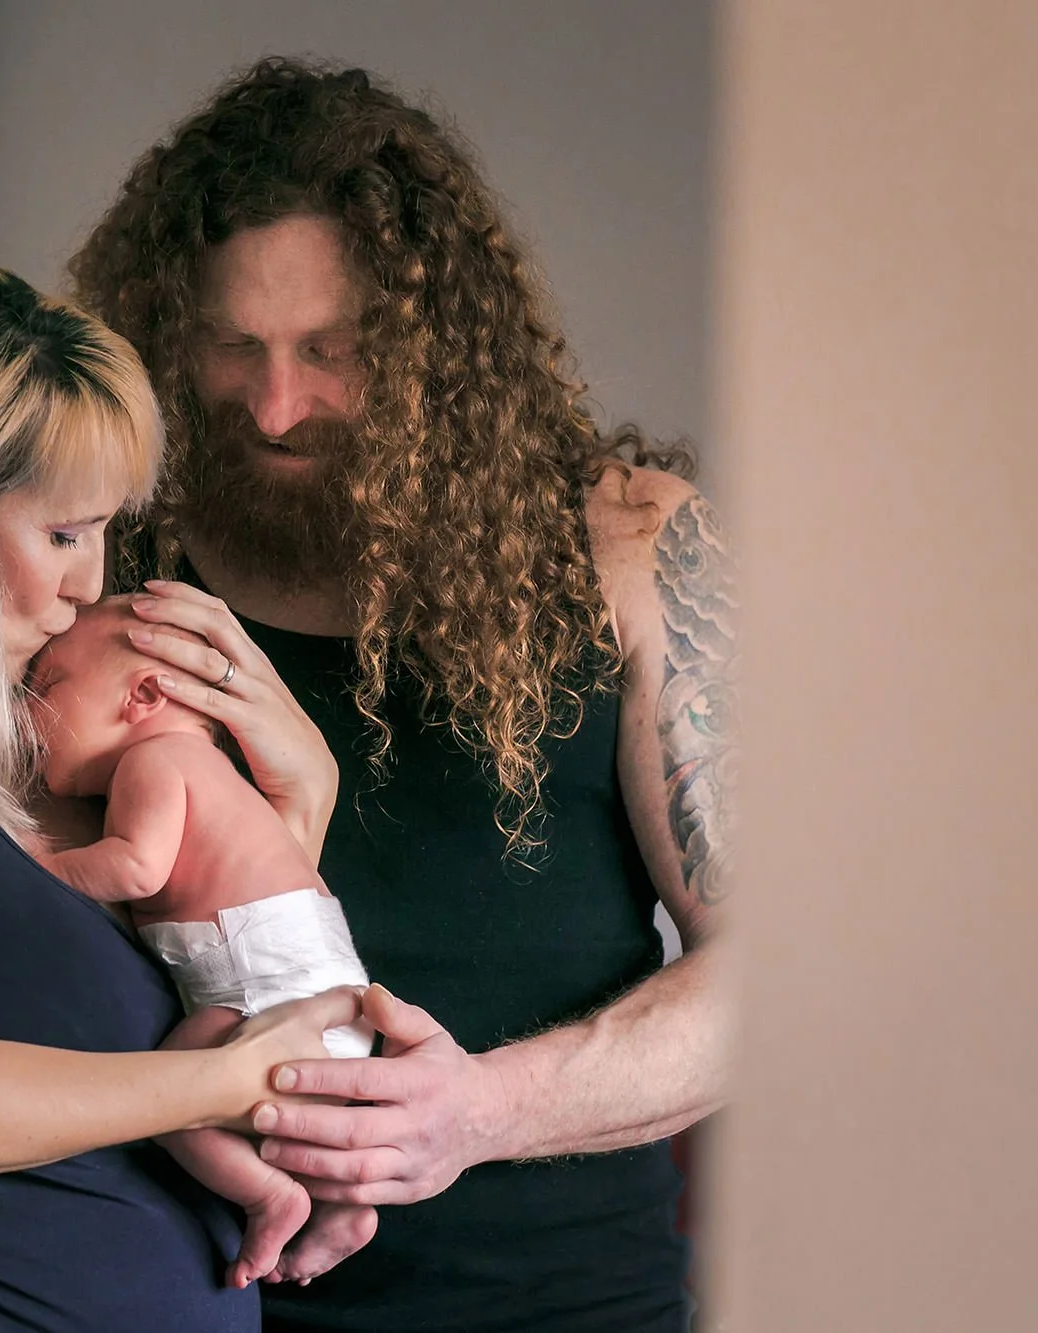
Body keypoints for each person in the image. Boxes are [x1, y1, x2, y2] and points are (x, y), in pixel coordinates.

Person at [66, 58, 736, 1331]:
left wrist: (476, 1112)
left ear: (433, 345)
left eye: (331, 351)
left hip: (559, 1304)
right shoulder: (98, 554)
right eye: (230, 346)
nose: (274, 404)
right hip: (175, 1296)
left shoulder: (629, 543)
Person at [0, 261, 364, 1333]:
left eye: (104, 532)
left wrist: (295, 817)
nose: (85, 585)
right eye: (59, 533)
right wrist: (228, 1080)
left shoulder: (6, 755)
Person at [25, 595, 377, 1289]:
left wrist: (37, 869)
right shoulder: (208, 775)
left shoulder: (155, 762)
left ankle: (270, 1194)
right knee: (277, 1102)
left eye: (47, 683)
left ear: (143, 694)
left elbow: (136, 866)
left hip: (266, 979)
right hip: (320, 984)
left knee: (170, 1101)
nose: (25, 704)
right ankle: (346, 1201)